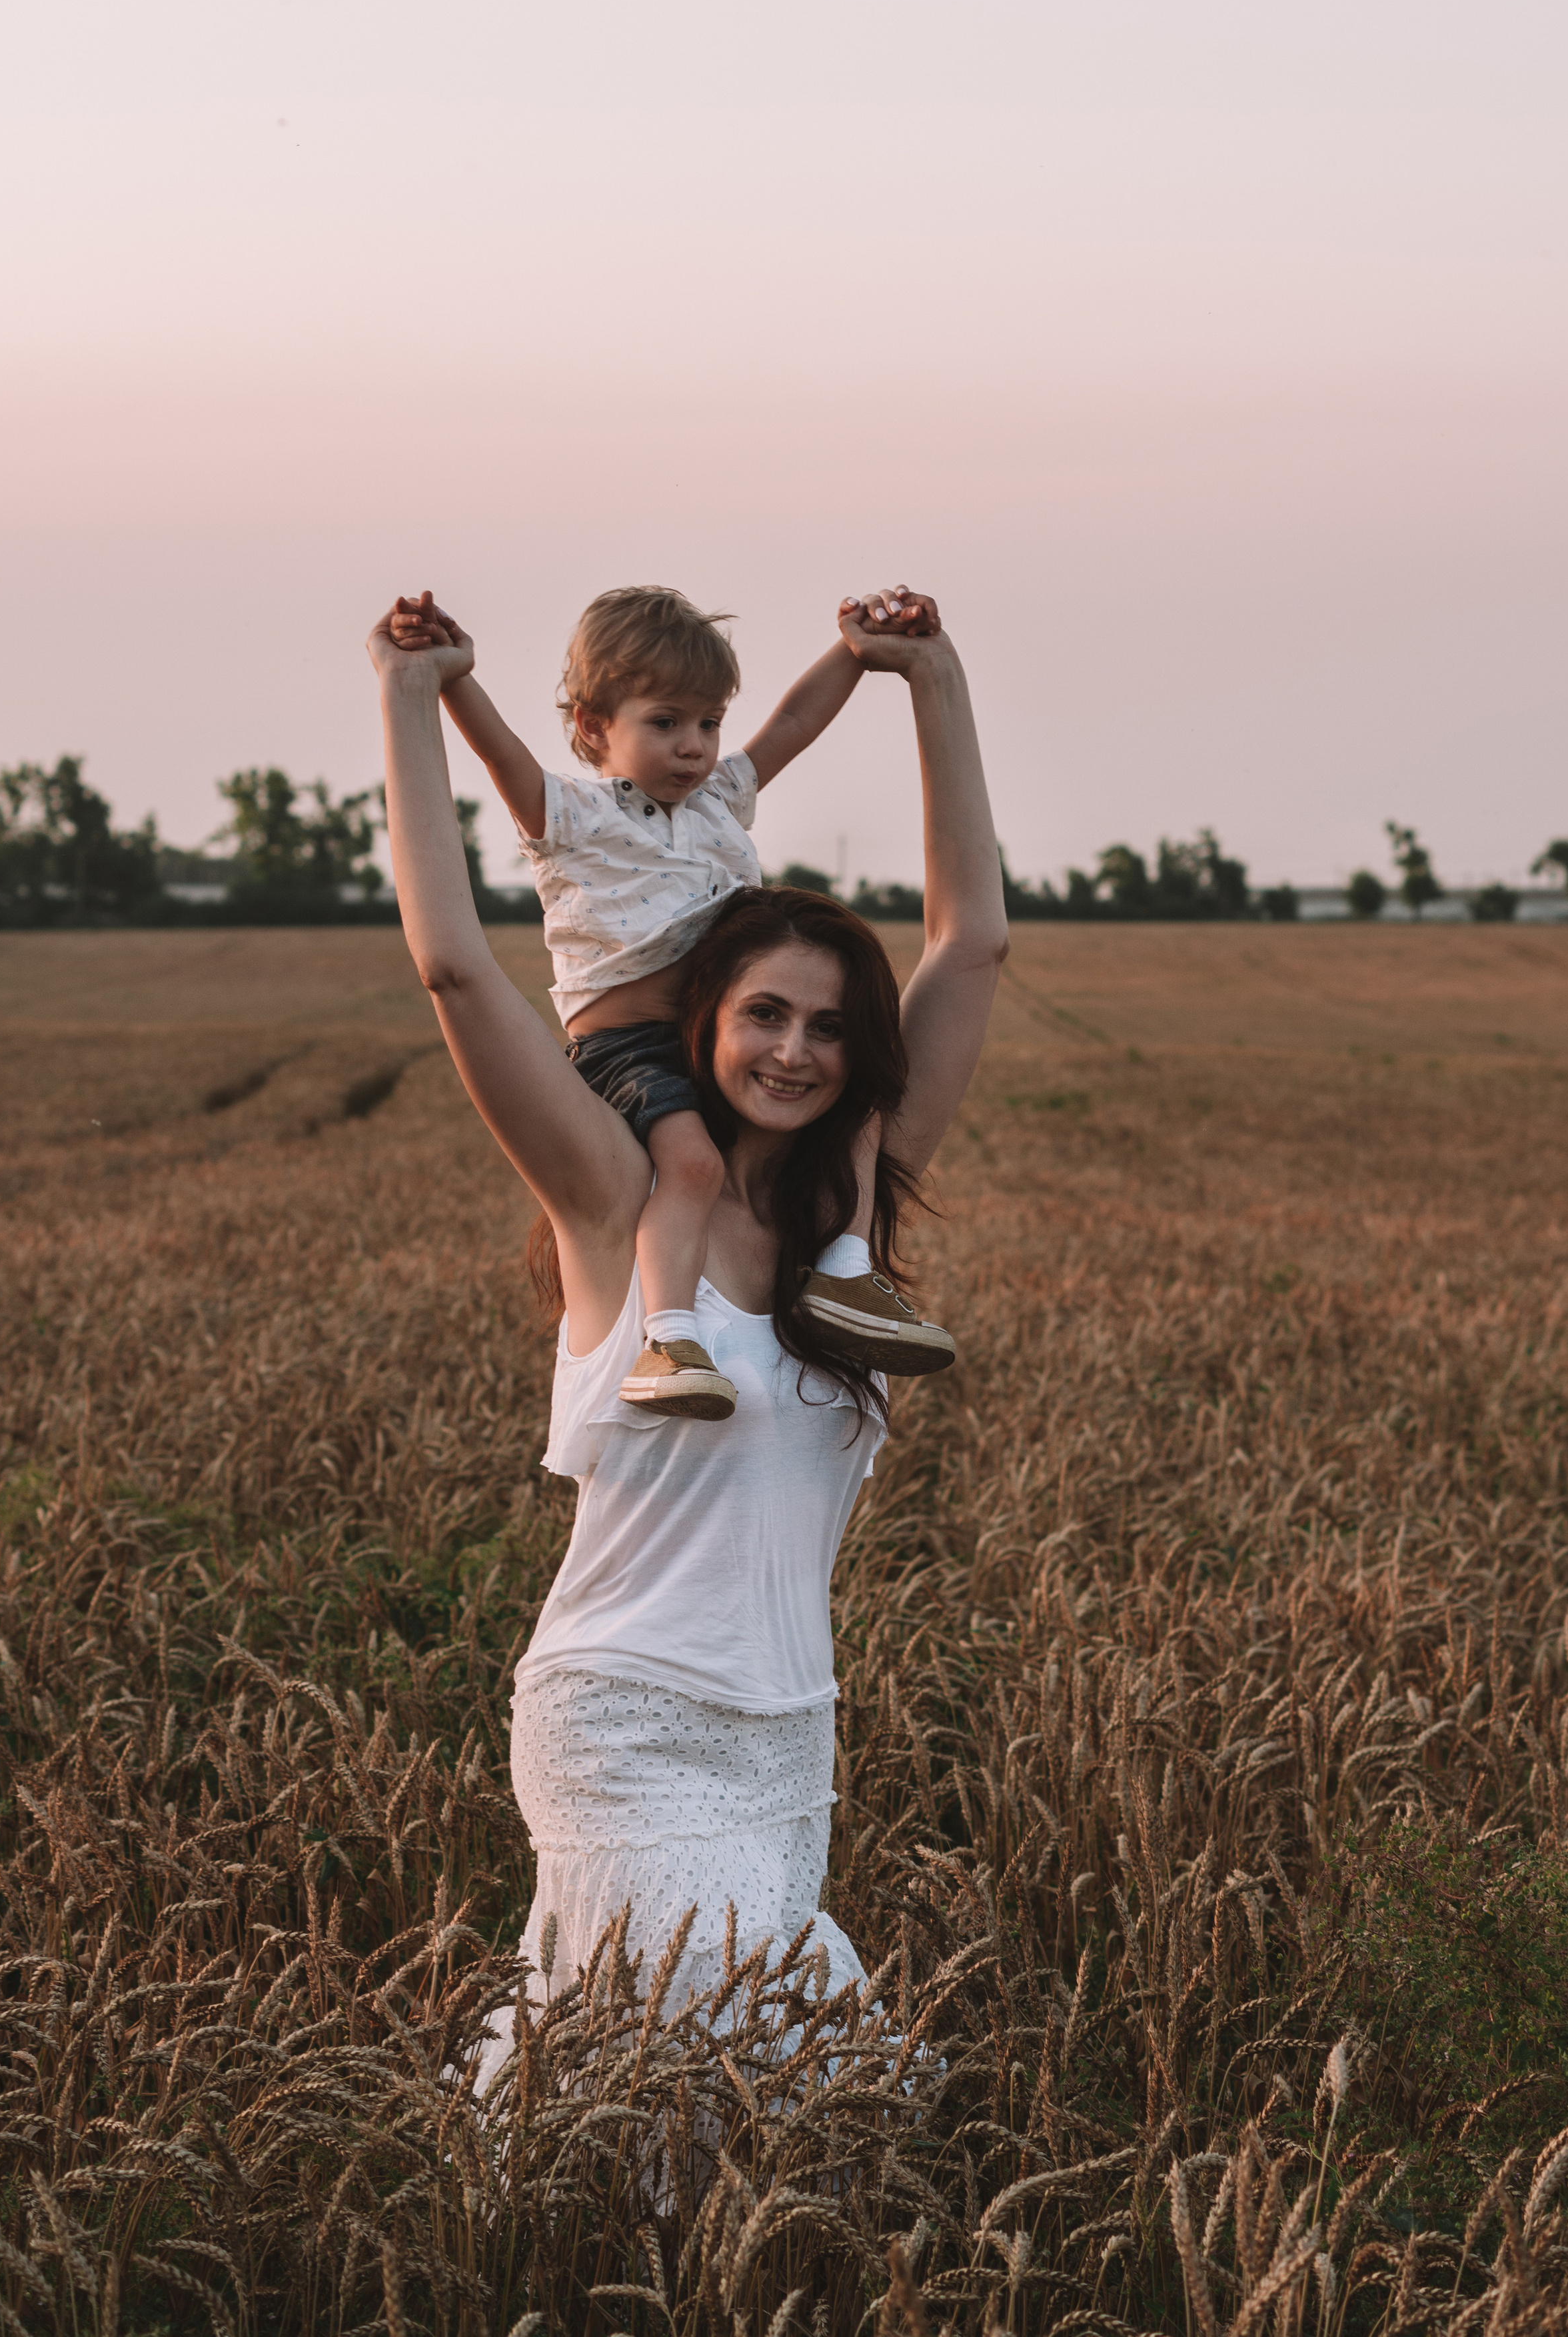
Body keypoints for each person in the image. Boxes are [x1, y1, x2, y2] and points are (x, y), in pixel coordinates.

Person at [365, 583, 1006, 2072]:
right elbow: (455, 964)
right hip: (623, 1714)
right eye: (763, 1014)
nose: (795, 1050)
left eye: (829, 1026)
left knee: (689, 2088)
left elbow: (970, 944)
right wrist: (409, 698)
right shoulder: (615, 1200)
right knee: (747, 2046)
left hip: (787, 1732)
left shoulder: (847, 1232)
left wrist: (929, 677)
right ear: (702, 1020)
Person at [387, 583, 955, 1421]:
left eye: (709, 723)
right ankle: (669, 1339)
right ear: (592, 726)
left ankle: (843, 1273)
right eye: (665, 722)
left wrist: (853, 650)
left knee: (860, 1104)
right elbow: (498, 753)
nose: (693, 746)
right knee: (692, 1167)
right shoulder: (570, 811)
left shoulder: (720, 798)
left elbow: (794, 722)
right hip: (627, 1049)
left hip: (706, 1039)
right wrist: (448, 676)